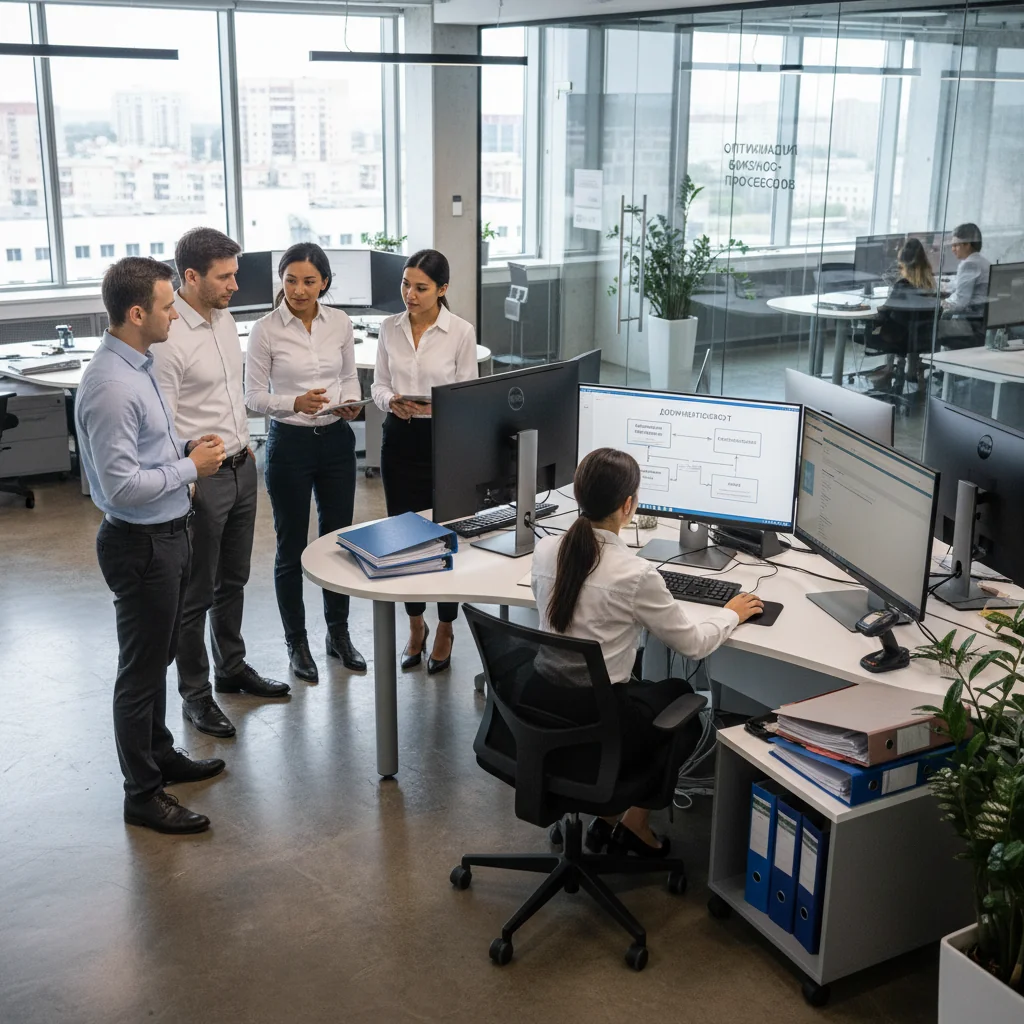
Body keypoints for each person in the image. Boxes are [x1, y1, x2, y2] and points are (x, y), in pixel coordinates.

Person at [531, 448, 763, 857]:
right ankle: (632, 822)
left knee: (668, 687)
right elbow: (693, 645)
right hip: (604, 725)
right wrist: (730, 614)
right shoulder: (635, 574)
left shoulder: (547, 550)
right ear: (628, 506)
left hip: (545, 713)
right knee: (686, 713)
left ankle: (608, 816)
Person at [76, 257, 228, 835]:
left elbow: (142, 453)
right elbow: (117, 486)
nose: (175, 314)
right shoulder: (112, 386)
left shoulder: (138, 364)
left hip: (168, 534)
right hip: (140, 545)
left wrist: (183, 447)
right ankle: (142, 794)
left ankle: (160, 754)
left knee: (157, 659)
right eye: (168, 306)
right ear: (137, 313)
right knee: (138, 674)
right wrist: (190, 468)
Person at [151, 227, 290, 740]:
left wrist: (243, 440)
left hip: (242, 464)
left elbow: (232, 394)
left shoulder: (227, 320)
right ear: (191, 277)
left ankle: (231, 669)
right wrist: (192, 463)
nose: (236, 284)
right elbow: (162, 422)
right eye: (225, 276)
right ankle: (196, 695)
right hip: (203, 479)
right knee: (196, 593)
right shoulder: (169, 338)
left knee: (233, 581)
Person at [244, 243, 366, 683]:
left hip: (335, 441)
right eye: (290, 280)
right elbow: (253, 396)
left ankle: (338, 633)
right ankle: (297, 642)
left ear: (325, 283)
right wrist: (292, 401)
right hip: (289, 445)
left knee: (339, 542)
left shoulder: (340, 323)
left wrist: (349, 402)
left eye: (309, 281)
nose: (298, 289)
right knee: (290, 546)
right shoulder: (264, 330)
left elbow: (349, 376)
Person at [371, 249, 478, 675]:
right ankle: (415, 625)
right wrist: (390, 400)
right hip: (399, 440)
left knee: (443, 535)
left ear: (443, 290)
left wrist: (436, 408)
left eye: (421, 288)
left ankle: (446, 627)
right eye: (405, 285)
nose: (409, 295)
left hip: (443, 442)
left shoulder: (460, 332)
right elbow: (378, 383)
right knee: (404, 539)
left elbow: (468, 393)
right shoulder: (388, 328)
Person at [867, 236, 936, 392]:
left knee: (886, 326)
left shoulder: (902, 285)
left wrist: (873, 314)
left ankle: (890, 369)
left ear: (904, 264)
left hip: (899, 337)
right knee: (901, 327)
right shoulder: (930, 283)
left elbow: (886, 311)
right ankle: (904, 370)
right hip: (921, 336)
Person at [940, 222, 991, 348]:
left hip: (972, 325)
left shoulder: (969, 264)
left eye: (956, 245)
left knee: (926, 327)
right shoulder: (982, 261)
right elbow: (961, 284)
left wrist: (942, 302)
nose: (952, 249)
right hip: (980, 321)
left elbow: (961, 301)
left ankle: (925, 363)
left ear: (968, 245)